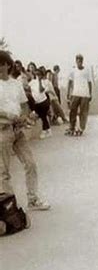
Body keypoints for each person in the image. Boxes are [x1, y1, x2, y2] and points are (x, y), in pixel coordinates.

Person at [0, 51, 50, 210]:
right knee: (4, 172)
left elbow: (23, 105)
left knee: (30, 164)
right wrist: (8, 115)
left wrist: (25, 117)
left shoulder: (15, 84)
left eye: (1, 64)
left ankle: (33, 199)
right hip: (2, 130)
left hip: (17, 131)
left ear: (7, 65)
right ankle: (10, 208)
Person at [66, 54, 92, 136]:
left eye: (80, 60)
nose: (79, 62)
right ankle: (71, 127)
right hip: (75, 93)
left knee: (83, 112)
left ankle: (81, 128)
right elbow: (69, 82)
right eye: (78, 60)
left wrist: (90, 94)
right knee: (72, 111)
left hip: (85, 94)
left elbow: (89, 82)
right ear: (76, 61)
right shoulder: (73, 70)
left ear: (82, 61)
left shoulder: (87, 70)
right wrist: (68, 93)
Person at [29, 68, 52, 139]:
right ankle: (48, 130)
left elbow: (41, 90)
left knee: (43, 116)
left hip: (43, 102)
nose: (37, 75)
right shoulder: (32, 82)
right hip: (36, 103)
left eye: (39, 74)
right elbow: (28, 88)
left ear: (42, 75)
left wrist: (39, 81)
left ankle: (44, 131)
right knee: (43, 117)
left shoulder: (44, 82)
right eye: (36, 74)